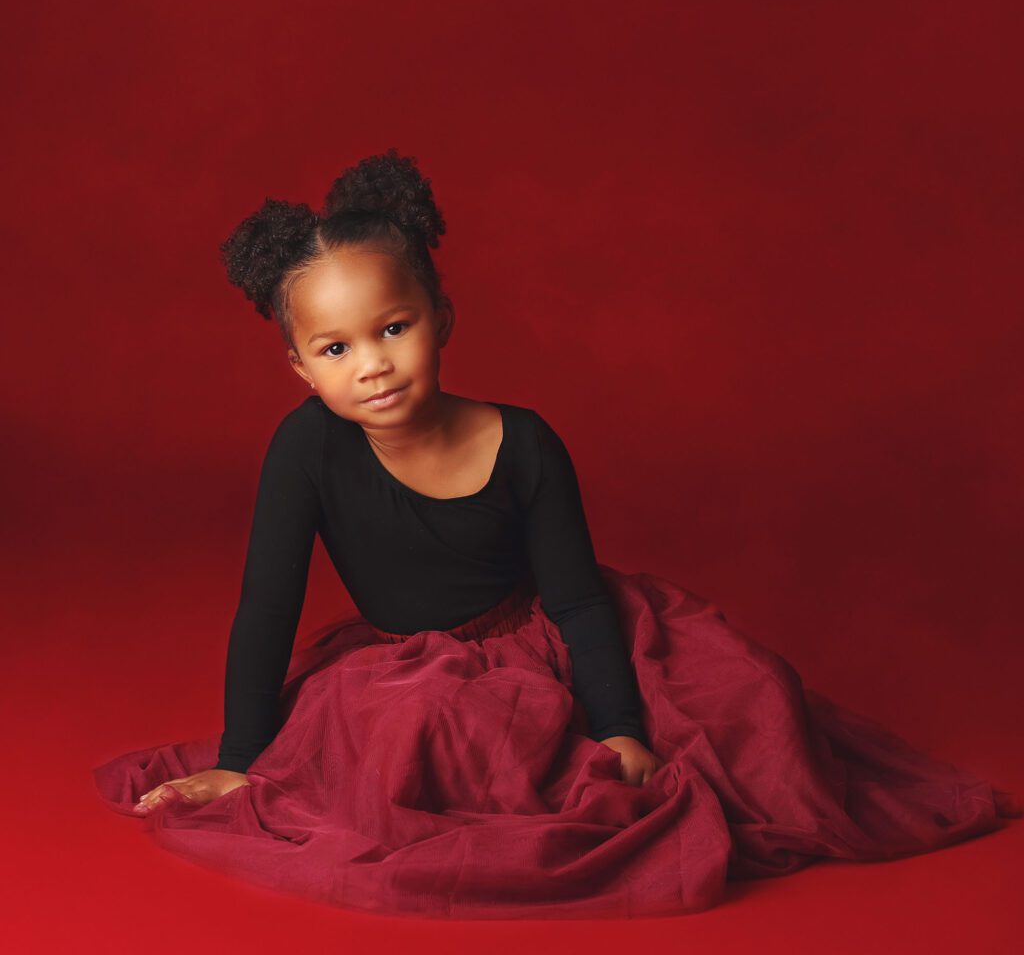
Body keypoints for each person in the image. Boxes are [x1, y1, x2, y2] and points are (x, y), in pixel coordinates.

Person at [92, 149, 1020, 920]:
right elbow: (268, 606)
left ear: (440, 319)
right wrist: (240, 762)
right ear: (299, 367)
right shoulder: (306, 449)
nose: (371, 365)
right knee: (426, 730)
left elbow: (576, 597)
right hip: (407, 665)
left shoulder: (524, 442)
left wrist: (619, 726)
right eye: (336, 349)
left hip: (535, 635)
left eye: (393, 328)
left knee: (754, 701)